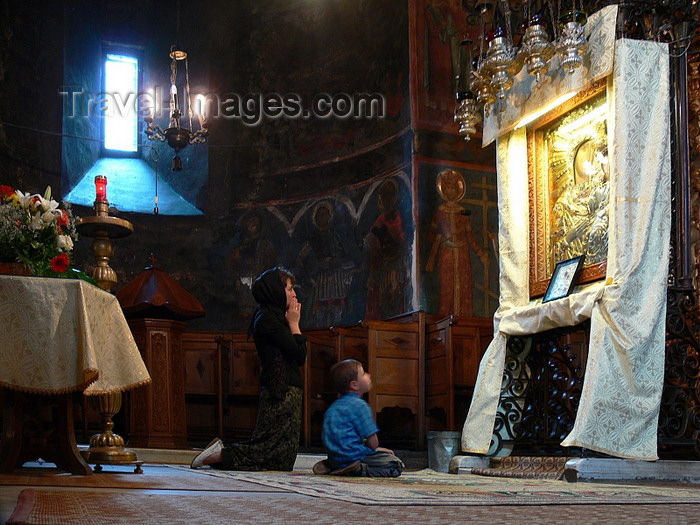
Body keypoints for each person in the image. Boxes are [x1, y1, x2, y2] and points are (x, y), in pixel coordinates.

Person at [190, 267, 307, 471]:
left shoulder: (276, 317)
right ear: (276, 291)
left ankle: (221, 459)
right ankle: (216, 455)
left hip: (288, 388)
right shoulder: (268, 319)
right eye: (289, 289)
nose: (294, 293)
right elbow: (299, 355)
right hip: (280, 390)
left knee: (282, 458)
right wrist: (295, 324)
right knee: (266, 447)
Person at [312, 359, 404, 477]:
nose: (368, 375)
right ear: (354, 385)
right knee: (395, 465)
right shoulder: (360, 406)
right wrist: (375, 451)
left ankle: (333, 466)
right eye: (364, 373)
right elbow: (373, 444)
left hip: (335, 457)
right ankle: (358, 470)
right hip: (354, 456)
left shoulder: (333, 407)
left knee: (353, 454)